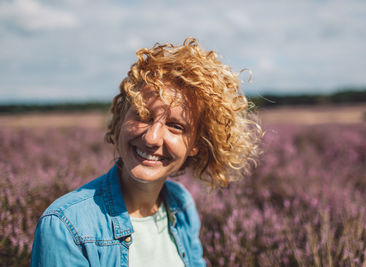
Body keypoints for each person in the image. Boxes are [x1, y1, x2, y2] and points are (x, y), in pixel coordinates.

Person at [30, 38, 262, 267]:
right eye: (142, 115)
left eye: (175, 126)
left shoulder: (181, 206)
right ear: (121, 119)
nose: (152, 138)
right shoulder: (66, 226)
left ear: (196, 145)